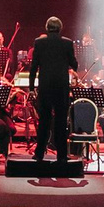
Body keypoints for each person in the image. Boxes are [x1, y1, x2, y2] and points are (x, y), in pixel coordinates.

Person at [27, 16, 77, 165]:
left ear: (47, 28)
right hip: (61, 87)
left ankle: (39, 154)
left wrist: (31, 88)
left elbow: (34, 67)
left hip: (45, 87)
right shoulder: (67, 43)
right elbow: (74, 64)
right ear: (60, 28)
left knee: (44, 121)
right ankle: (62, 155)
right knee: (61, 122)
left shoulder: (39, 42)